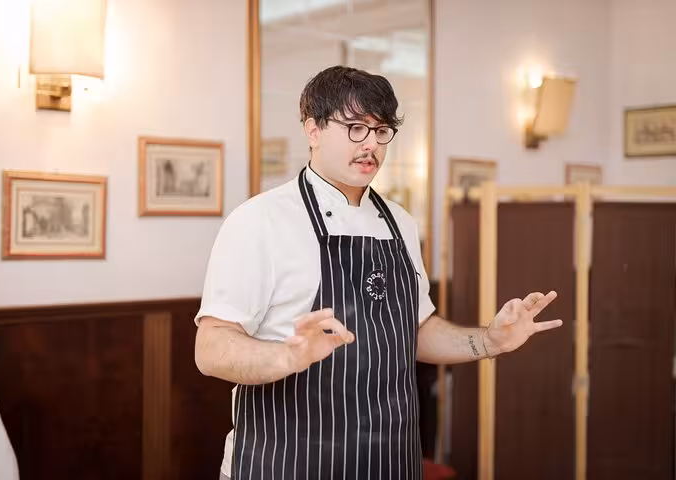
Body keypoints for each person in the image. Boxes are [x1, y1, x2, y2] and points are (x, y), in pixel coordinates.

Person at [194, 65, 562, 480]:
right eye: (355, 128)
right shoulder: (260, 221)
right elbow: (210, 348)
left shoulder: (400, 223)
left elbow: (416, 330)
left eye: (381, 130)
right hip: (285, 464)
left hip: (391, 463)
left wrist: (489, 340)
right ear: (312, 129)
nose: (370, 144)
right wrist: (288, 354)